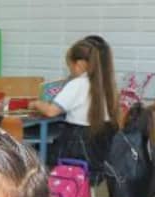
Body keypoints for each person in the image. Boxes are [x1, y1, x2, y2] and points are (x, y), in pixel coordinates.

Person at [31, 37, 118, 172]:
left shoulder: (78, 84)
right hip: (102, 143)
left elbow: (51, 111)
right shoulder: (107, 83)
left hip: (78, 144)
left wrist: (36, 104)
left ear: (80, 64)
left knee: (35, 151)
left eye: (70, 66)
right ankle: (88, 190)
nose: (70, 71)